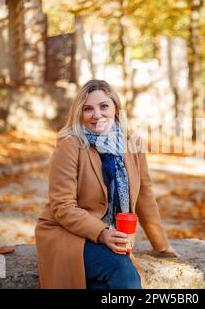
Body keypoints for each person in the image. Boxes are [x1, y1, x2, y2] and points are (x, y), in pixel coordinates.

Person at [35, 79, 180, 289]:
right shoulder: (70, 145)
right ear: (79, 114)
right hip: (68, 234)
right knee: (122, 271)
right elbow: (62, 206)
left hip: (111, 236)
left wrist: (161, 244)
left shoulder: (132, 143)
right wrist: (103, 233)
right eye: (88, 109)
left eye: (104, 106)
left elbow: (144, 196)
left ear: (115, 108)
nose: (97, 115)